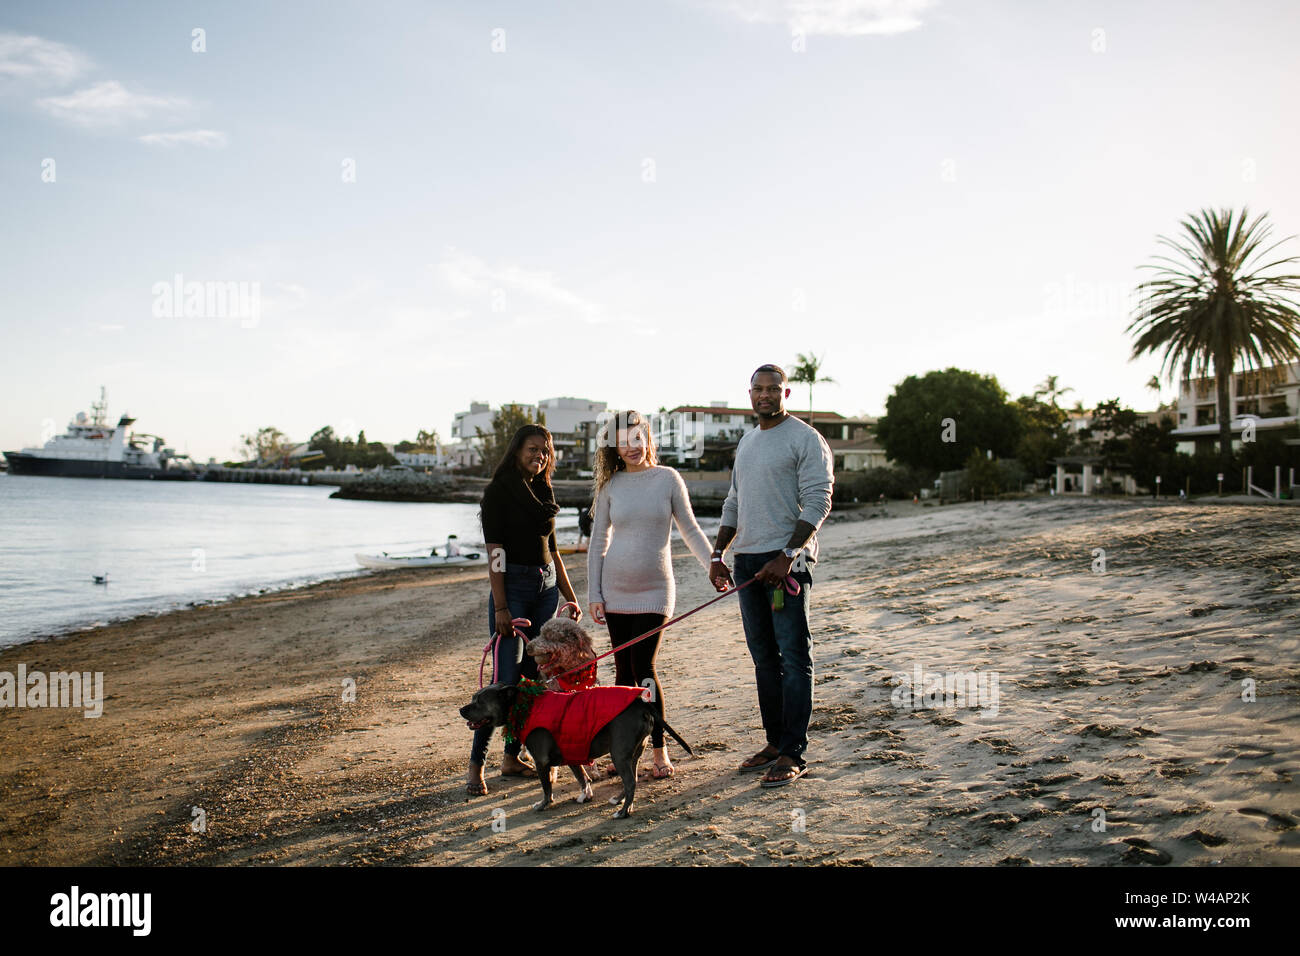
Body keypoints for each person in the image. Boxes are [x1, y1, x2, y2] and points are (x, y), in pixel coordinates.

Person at [709, 364, 834, 787]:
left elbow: (819, 501)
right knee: (764, 659)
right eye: (757, 389)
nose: (764, 395)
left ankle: (793, 752)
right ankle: (774, 741)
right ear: (750, 394)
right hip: (747, 561)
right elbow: (734, 501)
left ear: (786, 393)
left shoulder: (804, 438)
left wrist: (787, 555)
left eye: (772, 389)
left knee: (795, 658)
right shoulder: (747, 441)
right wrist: (716, 552)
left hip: (786, 566)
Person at [588, 410, 713, 779]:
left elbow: (689, 530)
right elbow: (598, 544)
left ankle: (659, 751)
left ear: (648, 439)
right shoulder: (611, 487)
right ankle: (623, 751)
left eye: (637, 439)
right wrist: (594, 593)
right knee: (623, 673)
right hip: (614, 591)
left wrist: (714, 566)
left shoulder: (668, 479)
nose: (631, 448)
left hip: (656, 590)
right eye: (623, 442)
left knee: (644, 670)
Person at [467, 424, 582, 796]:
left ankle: (511, 757)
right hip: (512, 590)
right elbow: (495, 555)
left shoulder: (544, 490)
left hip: (546, 589)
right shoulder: (498, 494)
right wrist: (501, 606)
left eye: (546, 450)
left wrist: (569, 594)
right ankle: (475, 767)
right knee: (504, 682)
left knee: (531, 680)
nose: (541, 455)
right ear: (517, 450)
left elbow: (554, 550)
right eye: (533, 448)